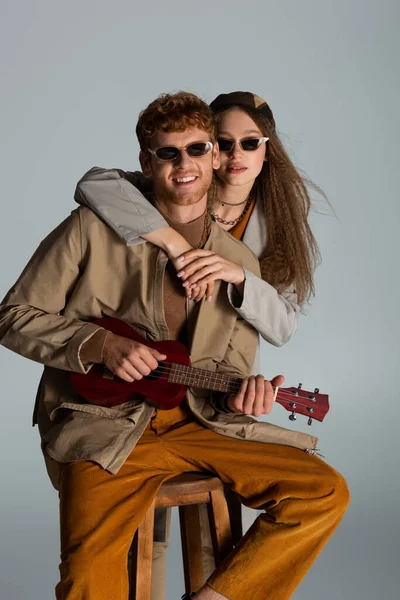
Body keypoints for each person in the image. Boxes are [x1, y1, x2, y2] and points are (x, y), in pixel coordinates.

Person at [0, 92, 349, 600]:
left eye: (197, 149)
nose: (184, 164)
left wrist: (241, 395)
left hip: (197, 422)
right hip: (102, 426)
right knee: (88, 578)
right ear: (146, 161)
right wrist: (97, 344)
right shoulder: (90, 229)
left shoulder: (237, 264)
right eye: (168, 153)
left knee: (323, 492)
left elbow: (232, 365)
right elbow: (12, 317)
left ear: (214, 157)